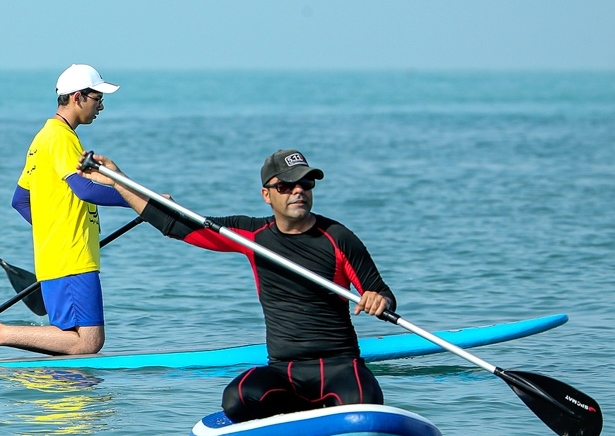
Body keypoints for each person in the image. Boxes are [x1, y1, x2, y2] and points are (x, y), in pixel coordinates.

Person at [82, 149, 396, 422]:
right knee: (236, 399)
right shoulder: (253, 236)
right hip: (284, 371)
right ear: (267, 194)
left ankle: (319, 414)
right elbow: (175, 224)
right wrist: (118, 181)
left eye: (306, 183)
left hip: (340, 367)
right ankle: (297, 415)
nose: (298, 191)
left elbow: (383, 294)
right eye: (287, 185)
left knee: (364, 404)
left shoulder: (337, 238)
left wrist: (376, 299)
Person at [0, 64, 130, 361]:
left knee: (69, 344)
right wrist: (139, 200)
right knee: (88, 342)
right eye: (97, 98)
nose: (102, 106)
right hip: (72, 256)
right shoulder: (61, 138)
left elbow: (20, 199)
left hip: (54, 255)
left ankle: (64, 401)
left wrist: (54, 227)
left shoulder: (43, 137)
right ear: (78, 97)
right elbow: (85, 189)